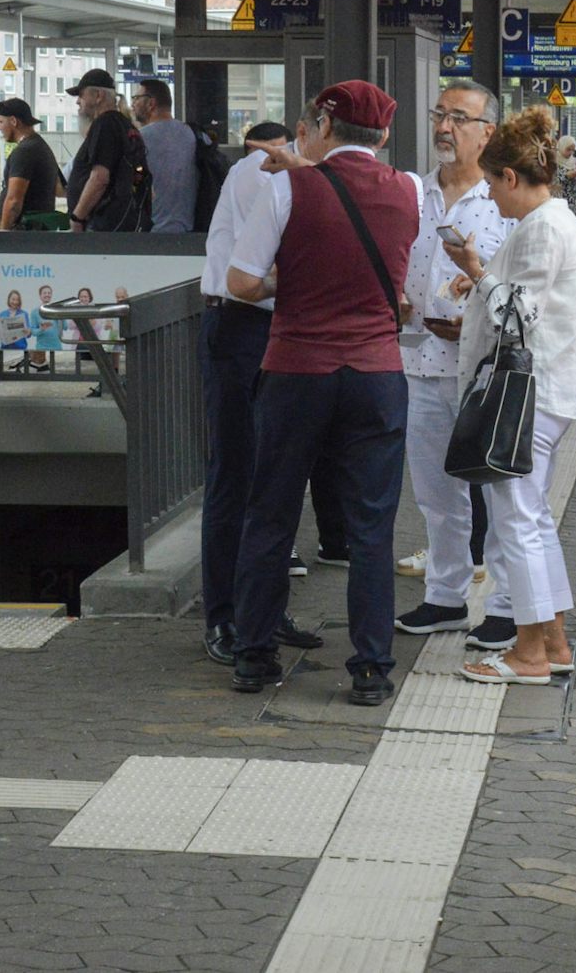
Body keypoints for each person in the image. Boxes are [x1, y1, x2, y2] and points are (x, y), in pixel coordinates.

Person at [225, 80, 418, 707]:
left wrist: (294, 275)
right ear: (384, 136)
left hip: (296, 373)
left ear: (321, 128)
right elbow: (411, 291)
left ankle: (254, 655)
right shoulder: (411, 190)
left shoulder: (285, 187)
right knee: (371, 526)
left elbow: (241, 283)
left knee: (272, 513)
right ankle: (370, 667)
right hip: (377, 377)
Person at [443, 107, 576, 684]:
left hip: (530, 394)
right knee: (531, 519)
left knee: (518, 524)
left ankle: (529, 653)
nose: (489, 196)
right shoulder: (555, 225)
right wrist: (483, 274)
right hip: (549, 392)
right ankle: (552, 643)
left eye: (490, 183)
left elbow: (518, 315)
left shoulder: (542, 229)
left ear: (511, 177)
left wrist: (477, 272)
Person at [391, 81, 518, 650]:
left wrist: (480, 322)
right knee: (435, 496)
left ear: (488, 131)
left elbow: (525, 285)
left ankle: (508, 606)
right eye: (439, 114)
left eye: (458, 118)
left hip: (485, 371)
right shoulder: (411, 194)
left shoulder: (506, 201)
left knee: (496, 491)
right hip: (419, 361)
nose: (444, 127)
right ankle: (445, 598)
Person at [197, 118, 325, 667]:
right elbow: (266, 267)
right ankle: (224, 615)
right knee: (235, 476)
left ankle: (264, 610)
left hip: (281, 327)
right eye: (334, 135)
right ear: (306, 130)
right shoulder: (262, 171)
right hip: (241, 326)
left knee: (277, 476)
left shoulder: (314, 177)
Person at [66, 68, 147, 232]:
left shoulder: (105, 124)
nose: (77, 101)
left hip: (102, 224)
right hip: (121, 221)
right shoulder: (125, 126)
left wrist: (77, 217)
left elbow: (99, 178)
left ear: (98, 96)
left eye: (81, 95)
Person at [131, 78, 196, 233]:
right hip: (188, 231)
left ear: (151, 103)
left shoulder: (140, 139)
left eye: (136, 98)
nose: (132, 104)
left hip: (151, 231)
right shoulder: (192, 134)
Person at [0, 98, 63, 229]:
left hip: (26, 231)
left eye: (1, 122)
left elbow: (14, 200)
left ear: (14, 121)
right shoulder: (40, 146)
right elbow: (59, 188)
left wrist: (3, 233)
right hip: (39, 229)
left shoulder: (24, 151)